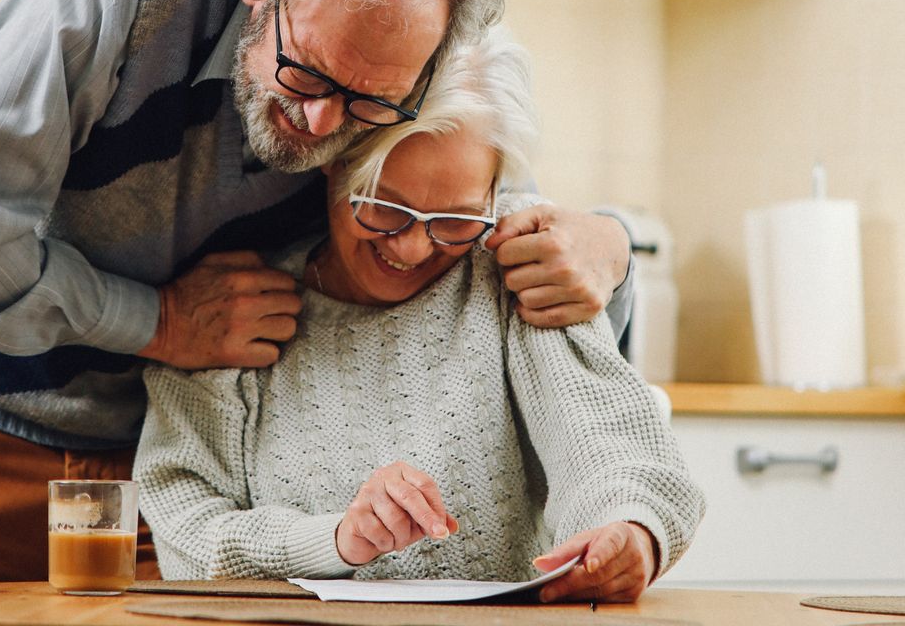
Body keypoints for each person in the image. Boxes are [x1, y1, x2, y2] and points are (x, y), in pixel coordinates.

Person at [0, 0, 636, 587]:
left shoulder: (407, 62)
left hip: (156, 465)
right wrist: (160, 322)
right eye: (304, 71)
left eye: (368, 103)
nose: (321, 124)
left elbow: (488, 226)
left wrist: (610, 246)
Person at [135, 32, 704, 601]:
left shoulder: (514, 268)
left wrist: (632, 532)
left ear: (493, 195)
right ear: (332, 168)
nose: (410, 249)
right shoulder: (232, 314)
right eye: (383, 206)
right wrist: (333, 540)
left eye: (455, 221)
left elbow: (614, 447)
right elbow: (186, 533)